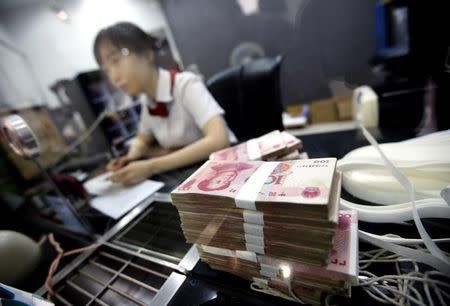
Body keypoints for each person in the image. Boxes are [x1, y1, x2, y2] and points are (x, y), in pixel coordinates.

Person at [93, 22, 232, 185]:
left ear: (146, 54)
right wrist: (129, 159)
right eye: (107, 70)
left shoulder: (185, 84)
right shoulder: (148, 100)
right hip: (194, 176)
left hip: (226, 172)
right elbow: (142, 138)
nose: (114, 78)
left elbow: (219, 139)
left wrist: (151, 167)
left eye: (115, 61)